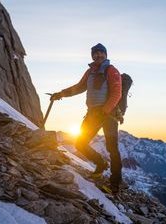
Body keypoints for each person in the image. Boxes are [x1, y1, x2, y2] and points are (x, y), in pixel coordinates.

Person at [50, 43, 123, 193]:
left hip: (108, 115)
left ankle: (115, 184)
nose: (98, 55)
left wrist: (105, 111)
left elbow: (117, 93)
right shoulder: (89, 72)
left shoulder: (112, 70)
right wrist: (60, 94)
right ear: (92, 56)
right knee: (80, 143)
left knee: (112, 148)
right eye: (95, 53)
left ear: (106, 55)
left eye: (101, 53)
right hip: (92, 113)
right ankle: (101, 164)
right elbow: (78, 87)